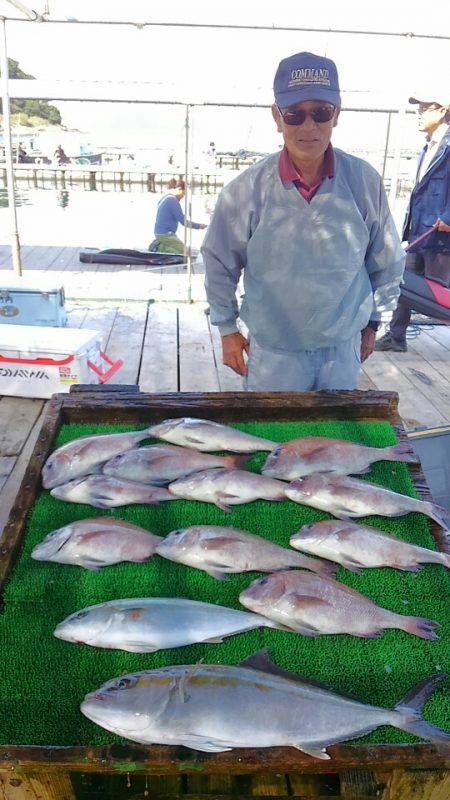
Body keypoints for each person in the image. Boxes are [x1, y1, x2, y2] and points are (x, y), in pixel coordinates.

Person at [202, 52, 405, 390]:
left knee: (333, 440)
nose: (308, 127)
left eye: (321, 113)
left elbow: (386, 259)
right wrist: (227, 329)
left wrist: (372, 322)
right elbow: (218, 262)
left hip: (342, 351)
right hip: (272, 353)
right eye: (295, 114)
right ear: (277, 117)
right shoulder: (244, 190)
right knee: (273, 440)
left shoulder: (364, 182)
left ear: (337, 114)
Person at [376, 93, 450, 352]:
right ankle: (396, 337)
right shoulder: (427, 147)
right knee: (403, 283)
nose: (419, 113)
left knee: (442, 296)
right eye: (418, 108)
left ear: (442, 112)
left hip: (441, 237)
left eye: (425, 108)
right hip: (420, 230)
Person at [151, 179, 207, 255]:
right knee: (184, 253)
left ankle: (161, 243)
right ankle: (158, 248)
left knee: (181, 249)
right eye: (183, 193)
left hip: (161, 232)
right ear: (179, 190)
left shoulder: (167, 197)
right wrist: (199, 226)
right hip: (165, 234)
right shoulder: (173, 201)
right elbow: (183, 222)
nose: (183, 196)